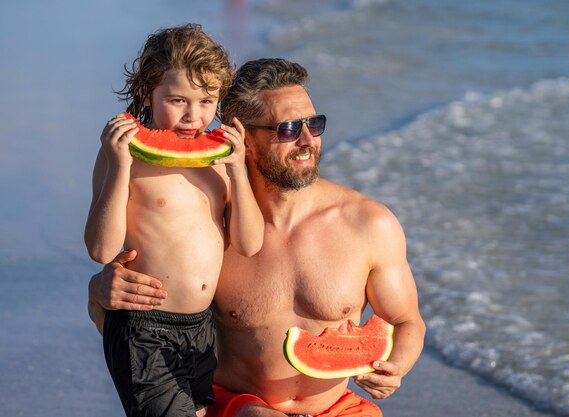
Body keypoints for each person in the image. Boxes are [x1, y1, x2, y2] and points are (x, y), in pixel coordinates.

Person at [88, 58, 425, 417]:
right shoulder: (213, 226)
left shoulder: (369, 225)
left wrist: (397, 367)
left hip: (338, 407)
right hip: (237, 405)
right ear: (243, 138)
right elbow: (142, 325)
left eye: (315, 124)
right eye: (288, 128)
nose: (308, 139)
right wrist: (99, 289)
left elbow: (407, 322)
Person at [84, 24, 264, 417]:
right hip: (143, 328)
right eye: (178, 100)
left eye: (206, 101)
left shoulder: (219, 161)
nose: (193, 115)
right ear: (147, 93)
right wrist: (118, 166)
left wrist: (237, 172)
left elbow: (249, 243)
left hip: (202, 330)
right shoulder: (125, 156)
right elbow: (100, 249)